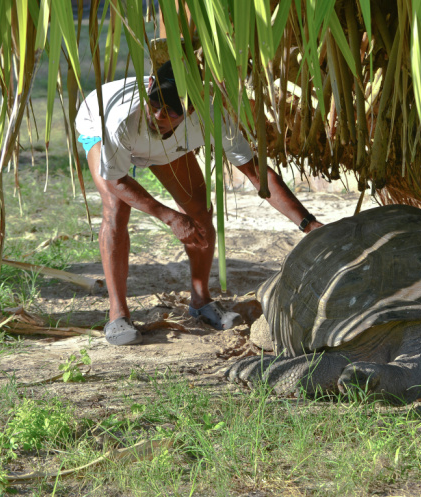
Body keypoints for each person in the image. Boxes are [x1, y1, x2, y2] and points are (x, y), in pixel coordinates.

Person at [75, 61, 323, 346]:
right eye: (153, 104)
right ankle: (117, 314)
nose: (157, 115)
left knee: (199, 211)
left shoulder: (211, 115)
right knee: (116, 209)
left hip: (161, 144)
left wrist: (307, 223)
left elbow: (257, 175)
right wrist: (170, 217)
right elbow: (116, 180)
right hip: (99, 121)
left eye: (169, 111)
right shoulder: (121, 117)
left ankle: (201, 301)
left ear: (191, 110)